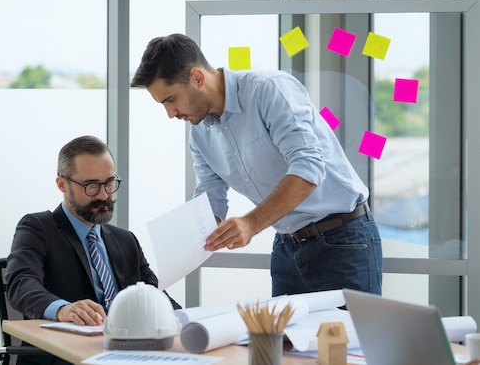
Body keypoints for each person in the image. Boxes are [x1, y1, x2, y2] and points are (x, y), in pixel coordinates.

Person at [131, 33, 383, 297]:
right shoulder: (200, 135)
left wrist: (251, 224)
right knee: (281, 339)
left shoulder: (269, 90)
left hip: (343, 240)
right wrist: (181, 248)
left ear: (197, 77)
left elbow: (308, 167)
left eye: (170, 100)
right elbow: (211, 196)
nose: (170, 114)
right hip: (287, 248)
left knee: (348, 338)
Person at [6, 135, 181, 365]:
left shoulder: (126, 241)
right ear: (62, 184)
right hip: (65, 356)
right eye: (91, 186)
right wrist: (63, 309)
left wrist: (190, 322)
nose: (104, 195)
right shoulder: (38, 228)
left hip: (127, 356)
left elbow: (156, 296)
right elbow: (21, 283)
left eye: (109, 183)